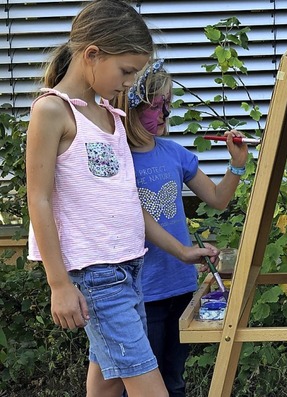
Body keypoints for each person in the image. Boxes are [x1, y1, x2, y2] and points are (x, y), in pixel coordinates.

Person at [25, 2, 217, 397]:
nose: (130, 83)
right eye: (127, 71)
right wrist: (58, 283)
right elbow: (38, 200)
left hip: (131, 269)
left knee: (108, 383)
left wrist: (180, 250)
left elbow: (130, 204)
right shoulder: (52, 111)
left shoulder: (111, 116)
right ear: (92, 54)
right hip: (96, 276)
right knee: (150, 385)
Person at [112, 59, 249, 397]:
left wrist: (237, 165)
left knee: (174, 378)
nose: (164, 114)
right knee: (142, 381)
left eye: (168, 105)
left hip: (180, 285)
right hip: (143, 290)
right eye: (156, 106)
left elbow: (217, 199)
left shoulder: (174, 153)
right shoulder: (118, 158)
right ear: (131, 106)